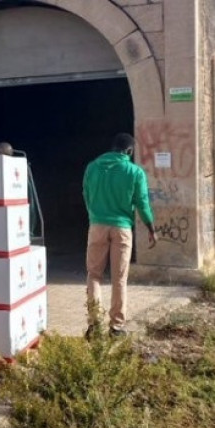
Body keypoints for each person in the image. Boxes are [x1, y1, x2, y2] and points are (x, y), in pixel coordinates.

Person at [83, 133, 157, 338]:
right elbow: (142, 203)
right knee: (119, 278)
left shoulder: (92, 167)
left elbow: (86, 194)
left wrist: (95, 215)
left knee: (94, 275)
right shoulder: (135, 172)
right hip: (122, 228)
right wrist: (151, 229)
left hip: (97, 224)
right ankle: (116, 327)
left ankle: (94, 325)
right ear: (129, 151)